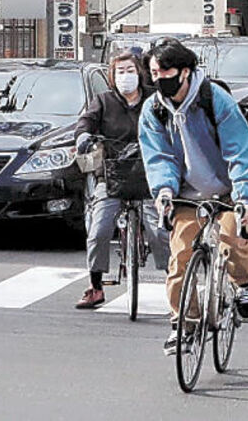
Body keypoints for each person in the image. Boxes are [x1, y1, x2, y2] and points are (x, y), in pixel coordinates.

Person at [138, 38, 248, 355]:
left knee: (232, 236)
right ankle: (184, 323)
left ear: (185, 72)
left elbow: (240, 150)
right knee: (180, 258)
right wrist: (164, 192)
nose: (159, 79)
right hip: (185, 194)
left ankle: (244, 284)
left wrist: (246, 197)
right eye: (154, 73)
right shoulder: (153, 110)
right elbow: (158, 157)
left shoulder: (215, 100)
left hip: (225, 189)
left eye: (166, 72)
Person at [73, 52, 170, 310]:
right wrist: (83, 136)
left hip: (151, 175)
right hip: (113, 174)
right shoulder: (103, 101)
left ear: (139, 72)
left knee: (160, 230)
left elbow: (172, 119)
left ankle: (176, 283)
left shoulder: (155, 98)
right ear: (112, 77)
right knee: (99, 229)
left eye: (130, 70)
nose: (125, 76)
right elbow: (85, 122)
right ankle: (95, 287)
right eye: (120, 71)